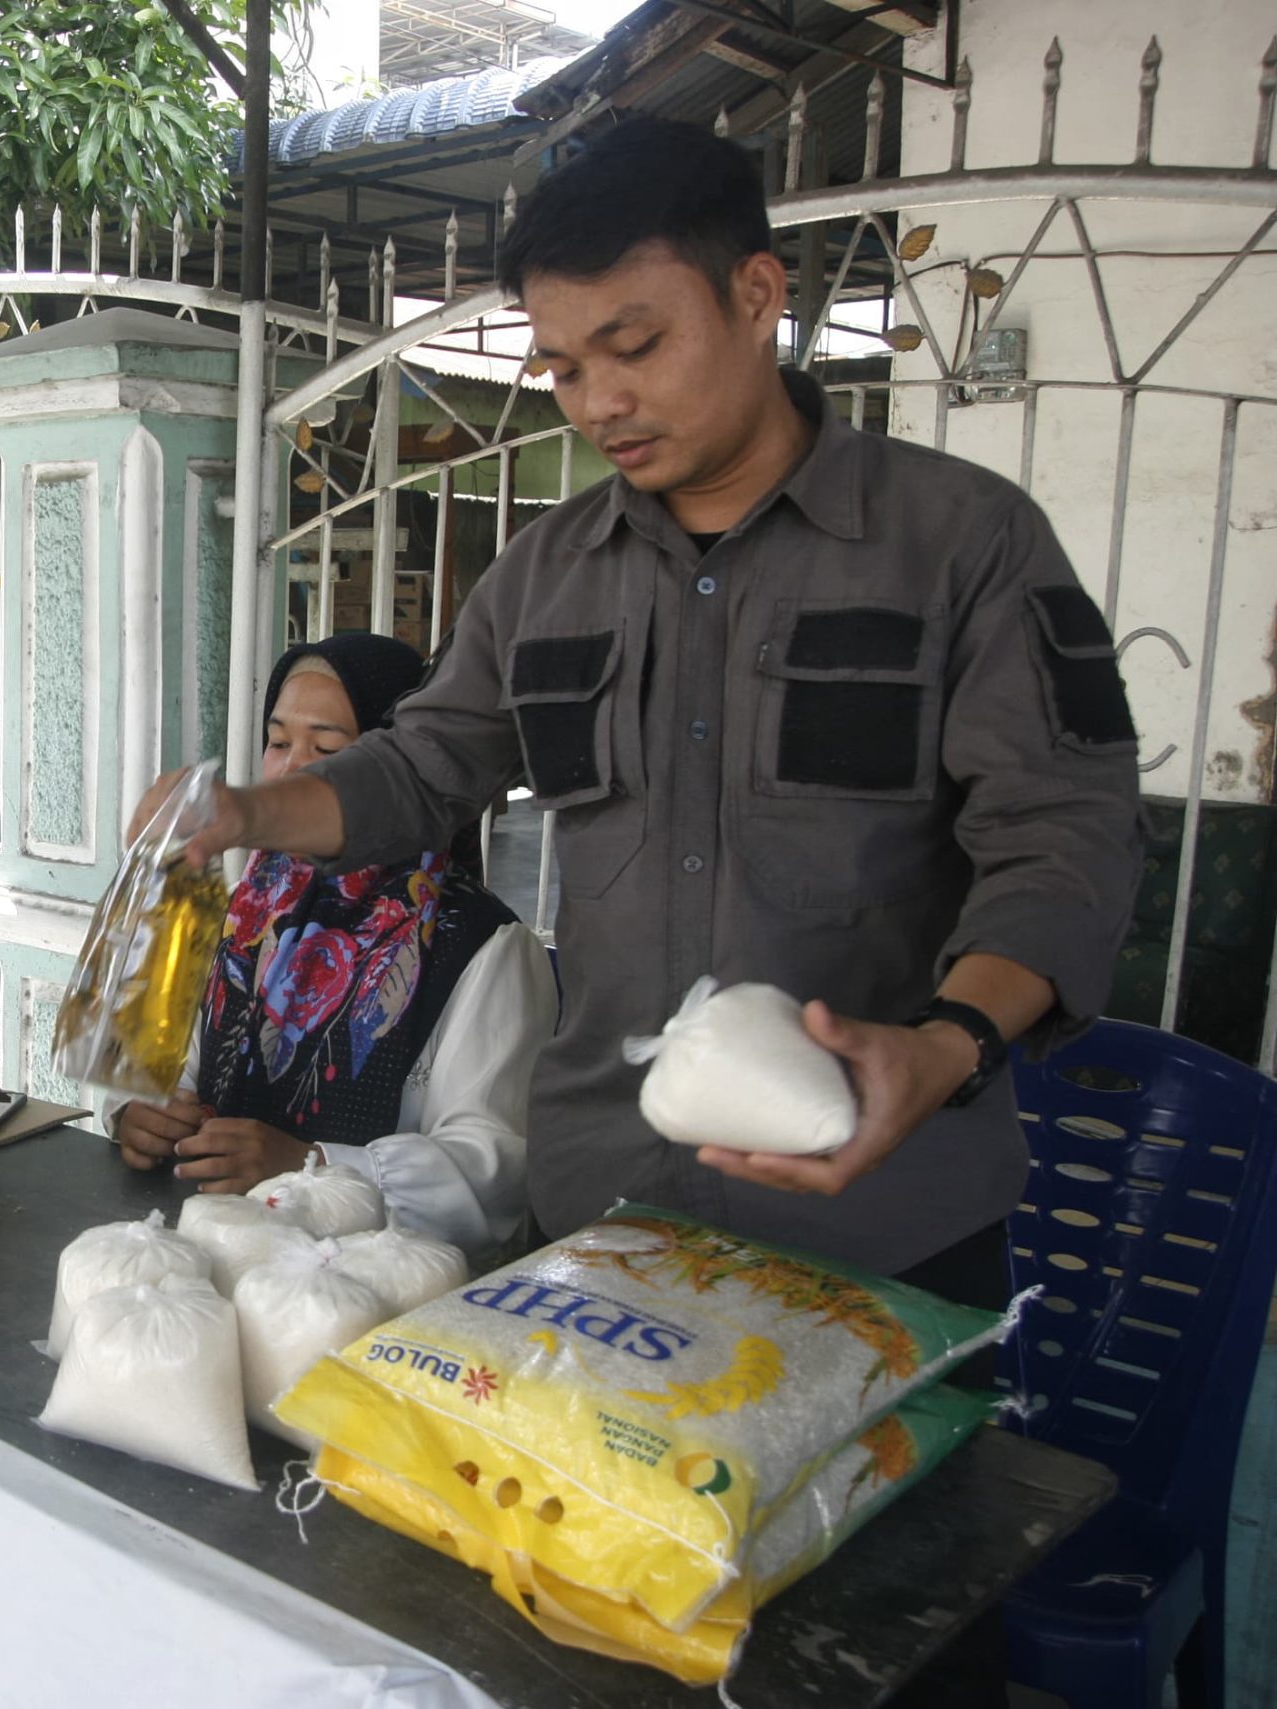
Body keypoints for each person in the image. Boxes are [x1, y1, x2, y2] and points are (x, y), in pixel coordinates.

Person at [134, 116, 1143, 1297]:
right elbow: (420, 770)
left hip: (881, 1215)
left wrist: (945, 1045)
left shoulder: (960, 542)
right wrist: (243, 811)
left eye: (636, 345)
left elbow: (1065, 833)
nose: (599, 401)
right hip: (605, 1209)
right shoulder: (544, 576)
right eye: (564, 368)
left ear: (756, 293)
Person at [113, 634, 556, 1267]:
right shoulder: (249, 910)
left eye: (327, 750)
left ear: (393, 780)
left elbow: (496, 1177)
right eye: (277, 741)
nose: (293, 771)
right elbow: (177, 1062)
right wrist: (142, 1111)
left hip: (370, 1300)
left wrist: (315, 1165)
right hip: (208, 1259)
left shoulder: (483, 947)